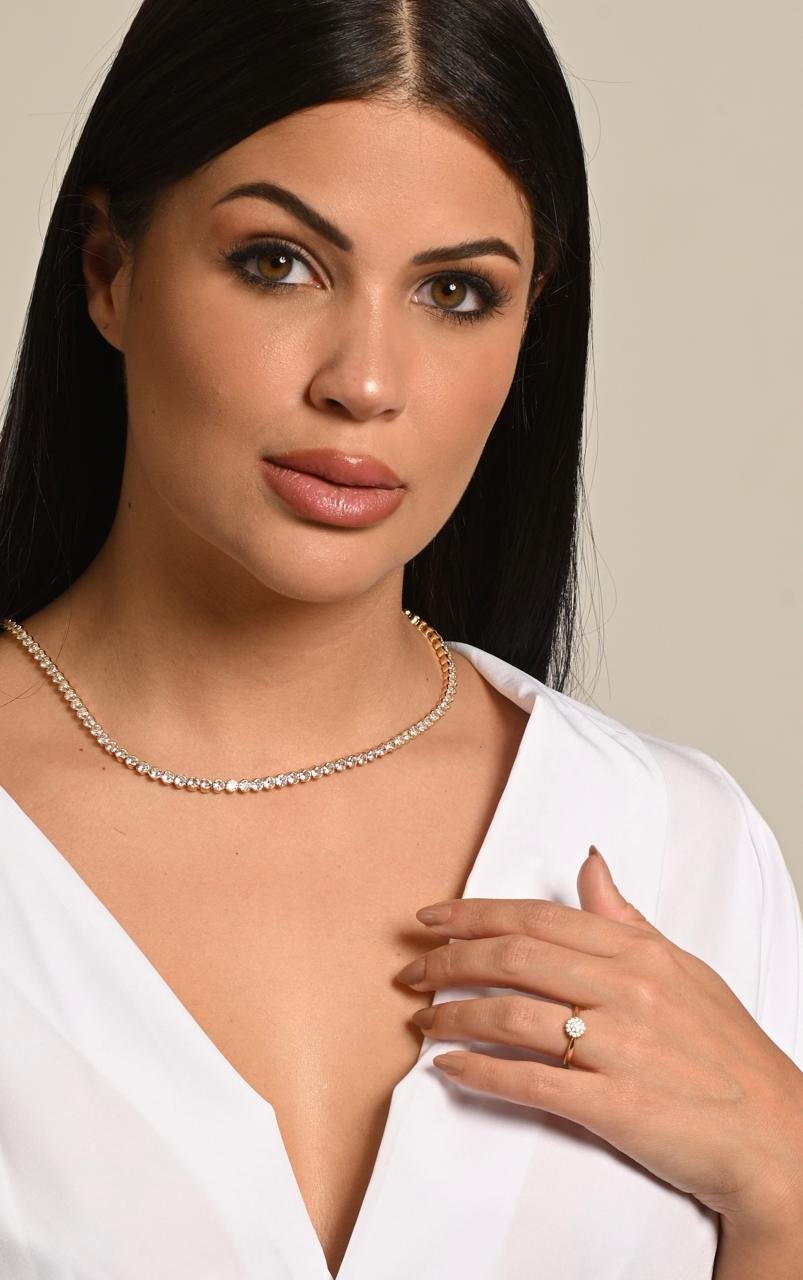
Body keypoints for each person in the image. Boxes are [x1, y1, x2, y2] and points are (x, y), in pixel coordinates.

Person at [0, 2, 800, 1277]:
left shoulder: (679, 848)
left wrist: (784, 1183)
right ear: (109, 271)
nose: (364, 380)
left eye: (453, 291)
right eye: (278, 262)